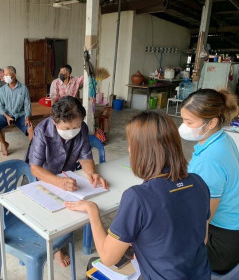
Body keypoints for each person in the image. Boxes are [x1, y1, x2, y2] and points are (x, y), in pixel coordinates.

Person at [66, 111, 211, 279]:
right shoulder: (198, 182)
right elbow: (202, 238)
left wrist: (92, 211)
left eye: (131, 144)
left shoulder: (138, 197)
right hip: (199, 274)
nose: (128, 149)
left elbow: (107, 257)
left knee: (95, 264)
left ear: (142, 151)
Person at [28, 96, 108, 267]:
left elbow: (85, 156)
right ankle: (57, 248)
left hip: (67, 174)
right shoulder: (42, 131)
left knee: (76, 203)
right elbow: (35, 168)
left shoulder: (83, 128)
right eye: (67, 128)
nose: (72, 131)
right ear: (55, 121)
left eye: (76, 127)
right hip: (45, 176)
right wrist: (58, 182)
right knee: (52, 211)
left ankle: (61, 237)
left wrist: (91, 172)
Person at [179, 88, 239, 274]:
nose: (184, 126)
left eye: (189, 122)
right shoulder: (222, 139)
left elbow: (201, 220)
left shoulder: (210, 160)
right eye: (183, 120)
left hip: (221, 243)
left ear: (212, 122)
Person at [0, 66, 33, 156]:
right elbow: (1, 106)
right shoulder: (2, 90)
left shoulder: (23, 89)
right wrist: (6, 116)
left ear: (14, 75)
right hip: (7, 114)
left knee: (31, 129)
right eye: (3, 75)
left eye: (6, 75)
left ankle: (33, 152)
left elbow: (27, 105)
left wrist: (28, 118)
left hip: (20, 115)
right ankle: (4, 144)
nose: (4, 77)